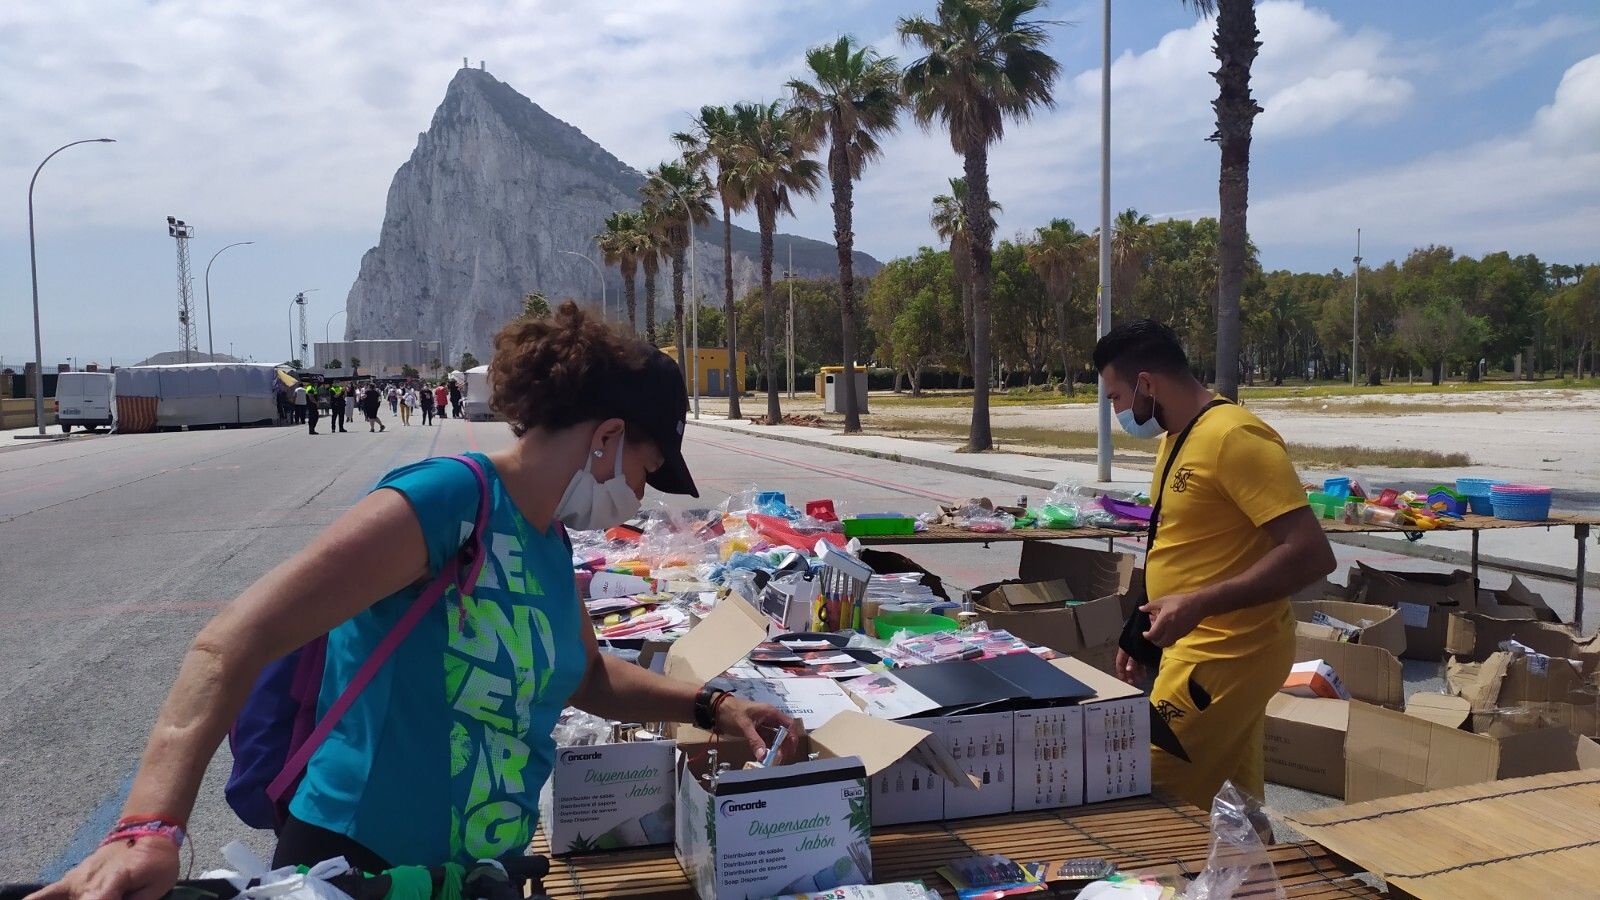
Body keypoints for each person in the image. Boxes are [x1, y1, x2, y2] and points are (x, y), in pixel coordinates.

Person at [32, 302, 796, 894]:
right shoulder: (447, 500)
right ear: (608, 437)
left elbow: (587, 677)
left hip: (474, 874)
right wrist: (149, 826)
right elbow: (233, 639)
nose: (639, 494)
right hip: (356, 868)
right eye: (645, 469)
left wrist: (712, 706)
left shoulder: (551, 541)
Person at [1094, 320, 1335, 813]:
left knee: (1145, 789)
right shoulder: (1178, 437)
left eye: (1116, 397)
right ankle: (1254, 864)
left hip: (1226, 654)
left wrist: (1199, 604)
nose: (1117, 412)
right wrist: (1138, 629)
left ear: (1146, 383)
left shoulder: (1234, 437)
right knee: (1235, 809)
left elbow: (1311, 553)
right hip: (1196, 648)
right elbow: (1181, 544)